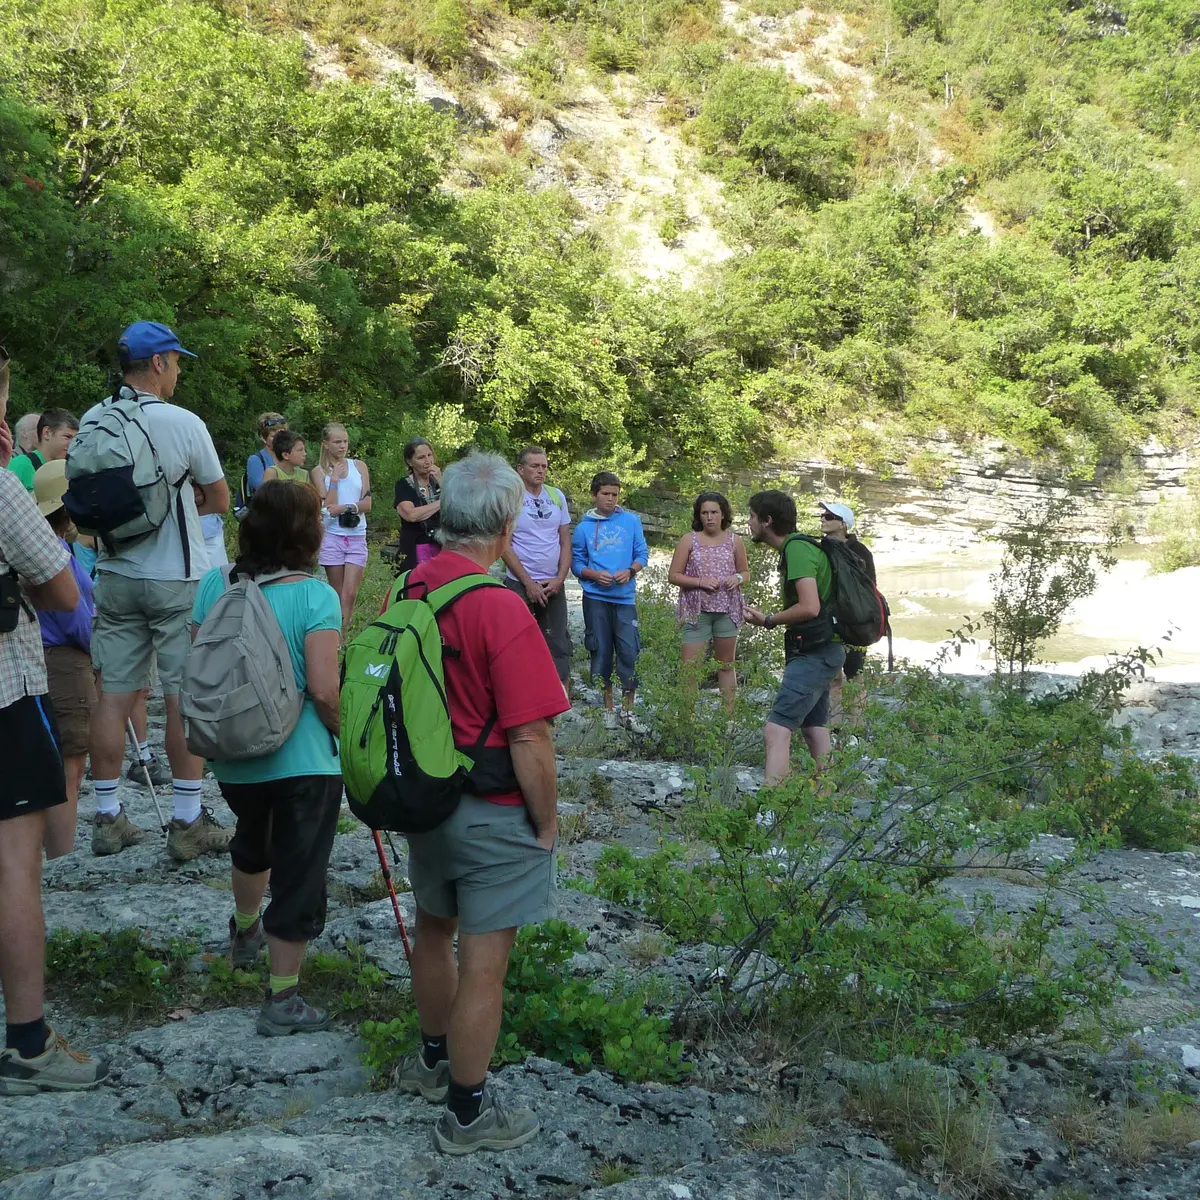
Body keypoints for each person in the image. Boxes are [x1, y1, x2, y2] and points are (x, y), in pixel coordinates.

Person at [388, 452, 567, 1156]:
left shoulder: (407, 588)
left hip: (424, 800)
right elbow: (531, 736)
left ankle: (431, 1062)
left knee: (435, 930)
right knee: (484, 964)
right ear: (505, 523)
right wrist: (546, 824)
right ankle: (467, 1114)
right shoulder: (499, 607)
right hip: (492, 810)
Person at [193, 481, 343, 1036]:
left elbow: (201, 663)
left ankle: (244, 930)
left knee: (252, 841)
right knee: (300, 868)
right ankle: (283, 998)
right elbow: (325, 690)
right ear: (307, 532)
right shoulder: (316, 596)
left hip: (233, 755)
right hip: (302, 758)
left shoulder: (214, 585)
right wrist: (344, 734)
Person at [83, 321, 233, 861]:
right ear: (160, 363)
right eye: (176, 361)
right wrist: (184, 500)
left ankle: (106, 817)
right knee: (180, 695)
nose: (178, 372)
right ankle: (188, 820)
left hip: (114, 573)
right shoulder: (182, 422)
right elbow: (218, 499)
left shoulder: (94, 418)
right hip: (173, 578)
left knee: (115, 693)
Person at [0, 348, 108, 1094]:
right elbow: (64, 590)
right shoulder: (3, 494)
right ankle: (29, 1042)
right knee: (15, 867)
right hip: (6, 696)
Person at [744, 490, 845, 785]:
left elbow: (810, 607)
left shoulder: (798, 550)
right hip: (824, 649)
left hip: (814, 653)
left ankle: (773, 808)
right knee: (814, 727)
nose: (749, 522)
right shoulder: (801, 548)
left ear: (767, 520)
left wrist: (769, 620)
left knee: (776, 730)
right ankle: (827, 799)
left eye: (751, 516)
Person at [33, 460, 98, 859]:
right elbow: (75, 617)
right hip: (66, 663)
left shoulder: (47, 544)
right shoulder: (56, 551)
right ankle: (62, 856)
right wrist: (101, 648)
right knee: (69, 766)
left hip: (51, 658)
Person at [571, 472, 648, 732]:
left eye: (615, 494)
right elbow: (576, 563)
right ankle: (608, 709)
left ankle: (628, 710)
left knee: (629, 651)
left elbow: (642, 553)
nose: (611, 499)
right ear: (594, 495)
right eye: (605, 494)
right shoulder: (583, 528)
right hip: (595, 598)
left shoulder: (631, 521)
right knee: (601, 650)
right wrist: (593, 575)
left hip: (625, 598)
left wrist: (631, 571)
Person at [667, 491, 749, 714]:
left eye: (714, 512)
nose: (709, 517)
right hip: (697, 611)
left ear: (723, 514)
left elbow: (745, 572)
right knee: (690, 668)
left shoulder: (735, 541)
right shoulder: (688, 539)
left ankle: (728, 718)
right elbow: (674, 575)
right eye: (704, 513)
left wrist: (737, 578)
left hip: (727, 610)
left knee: (726, 664)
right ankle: (686, 718)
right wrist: (700, 582)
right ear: (699, 515)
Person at [500, 446, 572, 694]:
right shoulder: (510, 498)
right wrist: (527, 582)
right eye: (534, 466)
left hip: (552, 582)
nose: (540, 470)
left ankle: (561, 696)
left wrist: (560, 578)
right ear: (520, 469)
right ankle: (521, 694)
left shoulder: (556, 496)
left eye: (544, 466)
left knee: (558, 640)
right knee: (518, 641)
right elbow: (503, 544)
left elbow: (565, 540)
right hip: (520, 583)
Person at [818, 501, 875, 729]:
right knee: (833, 674)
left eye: (829, 517)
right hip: (827, 619)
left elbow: (868, 588)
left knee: (855, 673)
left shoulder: (860, 551)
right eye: (823, 515)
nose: (823, 519)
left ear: (843, 524)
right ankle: (835, 728)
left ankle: (857, 729)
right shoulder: (821, 548)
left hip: (854, 621)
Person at [311, 422, 371, 629]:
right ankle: (334, 632)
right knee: (336, 592)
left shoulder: (359, 466)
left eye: (345, 441)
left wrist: (347, 507)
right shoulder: (318, 472)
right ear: (325, 444)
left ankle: (344, 632)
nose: (342, 446)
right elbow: (327, 506)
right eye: (337, 442)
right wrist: (334, 479)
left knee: (350, 592)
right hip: (333, 535)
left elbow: (367, 503)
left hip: (356, 534)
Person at [393, 437, 442, 575]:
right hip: (415, 547)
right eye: (421, 457)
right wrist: (441, 503)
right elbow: (411, 515)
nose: (428, 461)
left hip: (440, 545)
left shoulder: (440, 481)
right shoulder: (403, 485)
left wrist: (442, 482)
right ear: (410, 461)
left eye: (429, 455)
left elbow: (456, 507)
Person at [7, 409, 78, 493]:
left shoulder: (70, 469)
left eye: (75, 439)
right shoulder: (22, 464)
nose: (73, 444)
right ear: (47, 433)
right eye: (67, 437)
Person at [242, 412, 287, 506]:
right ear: (263, 438)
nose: (280, 439)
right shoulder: (256, 460)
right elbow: (262, 491)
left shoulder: (289, 458)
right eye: (274, 436)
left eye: (283, 435)